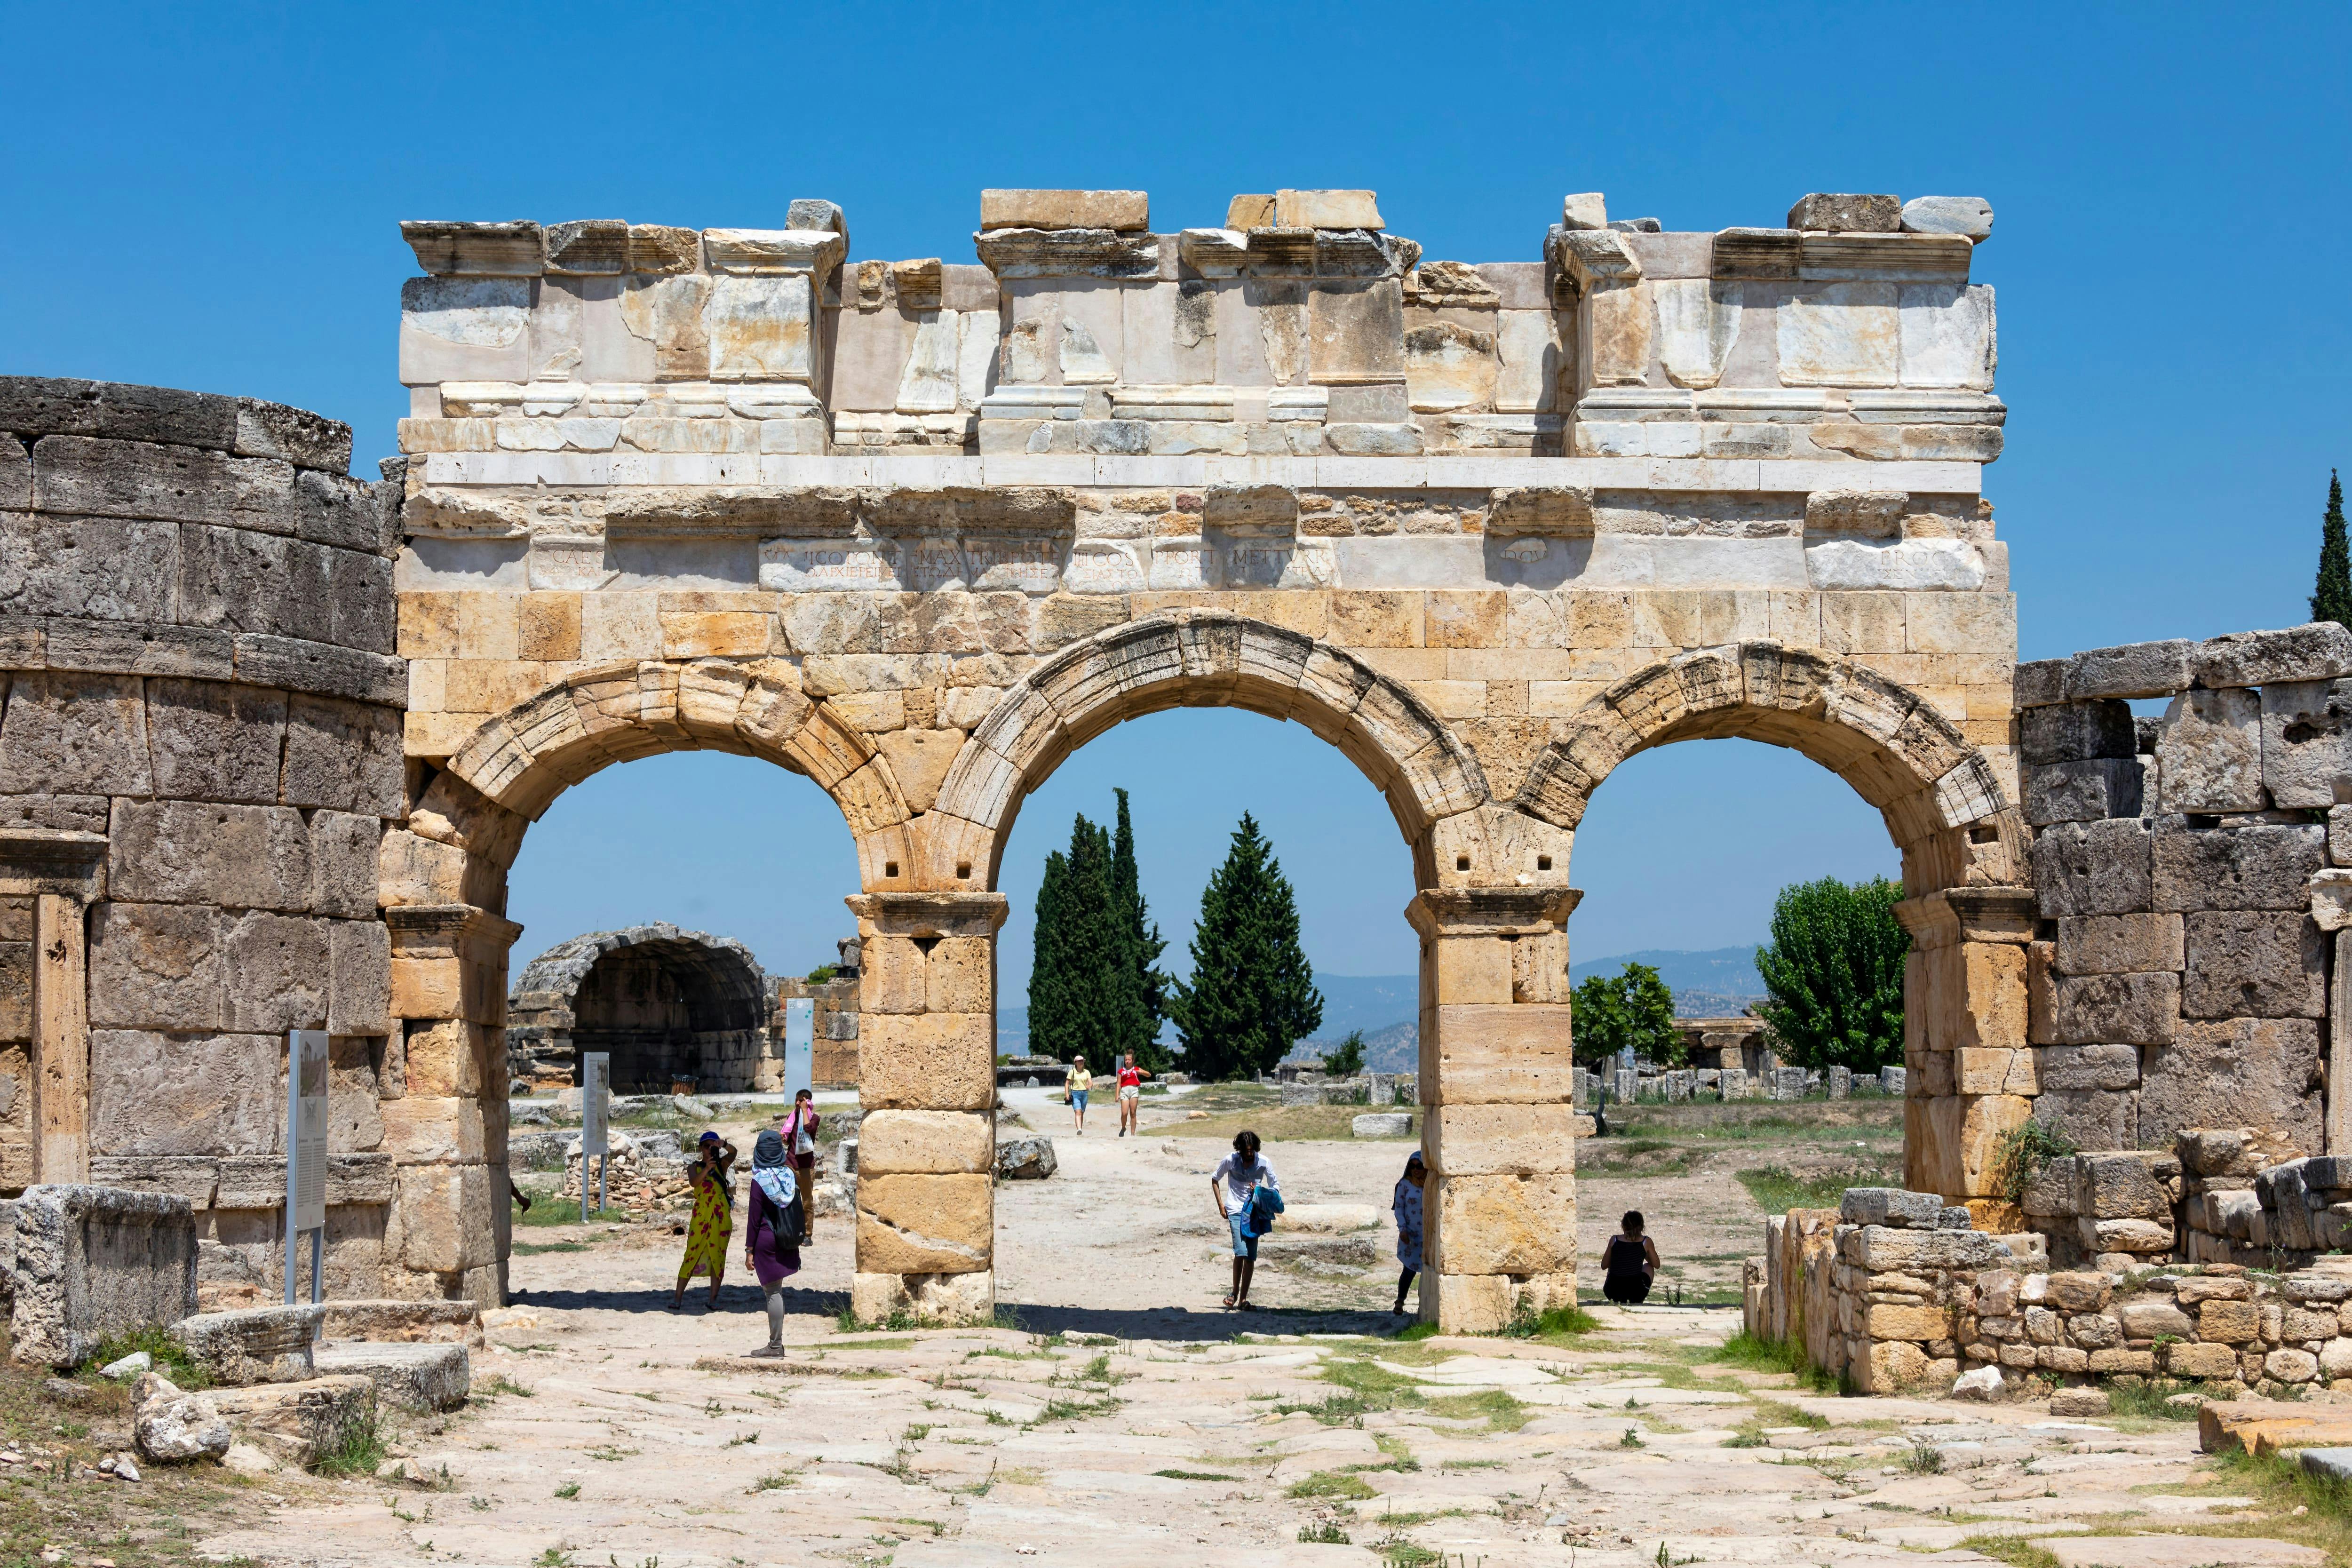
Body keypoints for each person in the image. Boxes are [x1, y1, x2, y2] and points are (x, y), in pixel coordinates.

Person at [742, 1129, 803, 1355]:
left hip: (766, 1241)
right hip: (787, 1237)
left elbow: (754, 1219)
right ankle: (776, 1344)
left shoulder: (759, 1180)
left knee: (773, 1293)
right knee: (777, 1290)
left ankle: (775, 1346)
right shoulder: (789, 1176)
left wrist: (749, 1250)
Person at [1209, 1130, 1278, 1310]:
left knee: (1250, 1256)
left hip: (1254, 1211)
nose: (1249, 1154)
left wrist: (1261, 1191)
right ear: (1239, 1149)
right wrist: (1221, 1205)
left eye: (1252, 1151)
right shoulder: (1230, 1160)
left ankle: (1243, 1300)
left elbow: (1275, 1186)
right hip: (1235, 1210)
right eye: (1246, 1151)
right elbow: (1215, 1179)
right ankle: (1234, 1293)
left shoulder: (1264, 1162)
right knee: (1240, 1251)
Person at [670, 1130, 737, 1312]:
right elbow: (694, 1183)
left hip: (720, 1218)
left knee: (718, 1257)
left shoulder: (722, 1165)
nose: (710, 1149)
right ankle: (677, 1298)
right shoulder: (694, 1167)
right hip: (701, 1217)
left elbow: (734, 1153)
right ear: (701, 1148)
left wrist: (724, 1144)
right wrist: (707, 1168)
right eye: (707, 1146)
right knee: (691, 1255)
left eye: (712, 1146)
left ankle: (713, 1300)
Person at [779, 1090, 820, 1243]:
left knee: (807, 1202)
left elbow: (809, 1129)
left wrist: (804, 1111)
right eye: (796, 1100)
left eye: (801, 1100)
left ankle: (807, 1234)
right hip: (790, 1163)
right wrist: (785, 1138)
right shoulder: (792, 1117)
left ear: (808, 1102)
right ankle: (788, 1231)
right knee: (786, 1199)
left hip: (806, 1167)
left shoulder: (814, 1118)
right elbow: (788, 1140)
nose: (797, 1103)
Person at [1391, 1151, 1426, 1315]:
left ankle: (1426, 1305)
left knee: (1428, 1271)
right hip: (1411, 1234)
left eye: (1420, 1166)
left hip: (1428, 1235)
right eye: (1412, 1166)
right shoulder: (1404, 1185)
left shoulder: (1430, 1183)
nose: (1416, 1170)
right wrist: (1402, 1229)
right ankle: (1400, 1301)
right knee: (1409, 1270)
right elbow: (1399, 1209)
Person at [1601, 1210, 1660, 1305]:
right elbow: (1657, 1265)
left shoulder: (1615, 1240)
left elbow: (1604, 1265)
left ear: (1624, 1226)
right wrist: (1643, 1253)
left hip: (1612, 1291)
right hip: (1635, 1293)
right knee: (1649, 1267)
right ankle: (1639, 1301)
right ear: (1641, 1227)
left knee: (1612, 1265)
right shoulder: (1646, 1242)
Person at [1115, 1051, 1150, 1138]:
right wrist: (1117, 1095)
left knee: (1133, 1113)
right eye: (1126, 1060)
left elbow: (1149, 1075)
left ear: (1133, 1061)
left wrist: (1141, 1072)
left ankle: (1133, 1134)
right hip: (1124, 1091)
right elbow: (1119, 1083)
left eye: (1129, 1060)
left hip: (1134, 1090)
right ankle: (1123, 1128)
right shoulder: (1121, 1071)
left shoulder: (1136, 1069)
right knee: (1124, 1113)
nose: (1127, 1061)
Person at [1066, 1056, 1091, 1135]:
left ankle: (1080, 1128)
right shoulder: (1072, 1072)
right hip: (1075, 1094)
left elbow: (1091, 1082)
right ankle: (1079, 1129)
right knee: (1078, 1112)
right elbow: (1067, 1083)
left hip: (1084, 1094)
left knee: (1082, 1112)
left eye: (1082, 1061)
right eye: (1080, 1061)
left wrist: (1089, 1085)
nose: (1081, 1062)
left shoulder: (1087, 1072)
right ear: (1076, 1063)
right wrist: (1067, 1093)